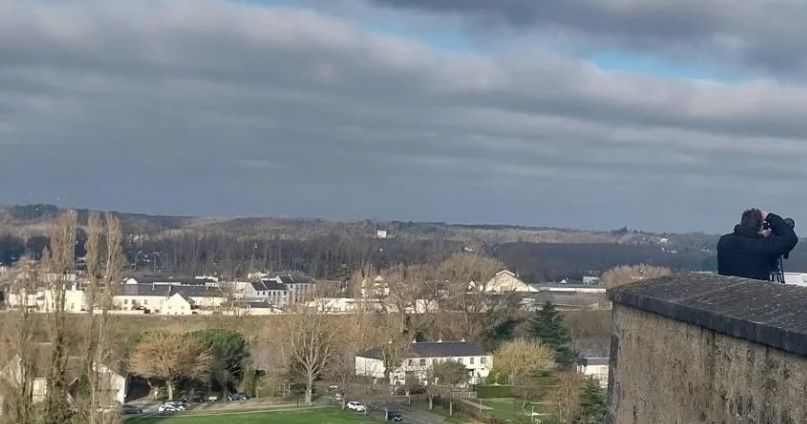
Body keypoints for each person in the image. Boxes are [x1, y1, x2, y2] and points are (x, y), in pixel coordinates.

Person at [717, 209, 798, 280]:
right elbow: (790, 238)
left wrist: (759, 236)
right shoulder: (764, 247)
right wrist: (769, 216)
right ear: (760, 227)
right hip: (756, 295)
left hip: (727, 293)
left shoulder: (724, 241)